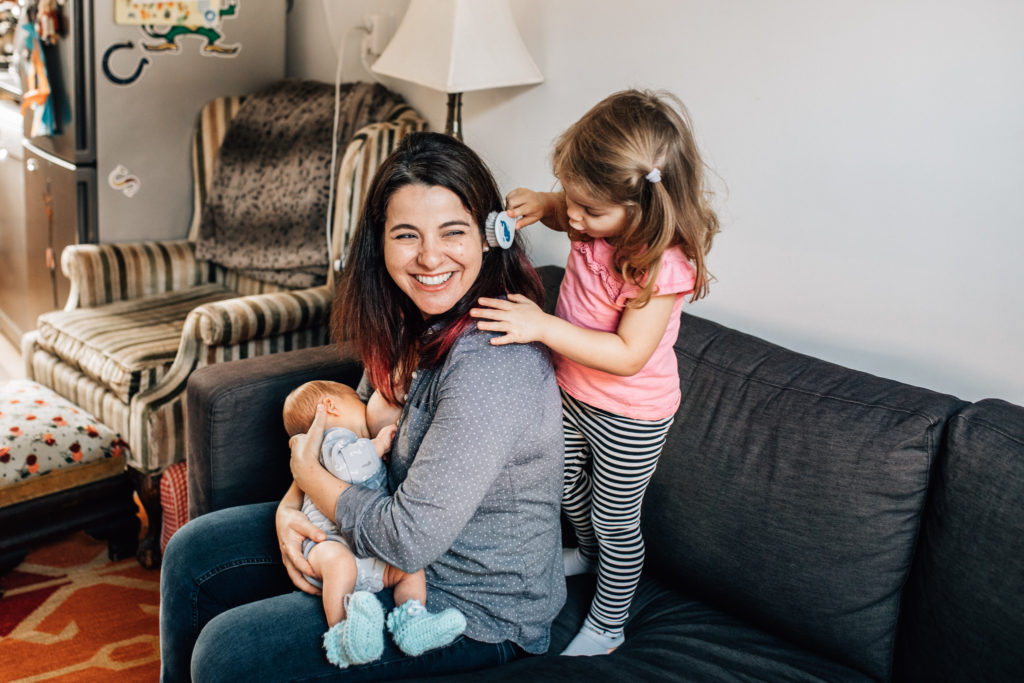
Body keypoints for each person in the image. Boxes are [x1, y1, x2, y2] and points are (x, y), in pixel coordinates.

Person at [160, 131, 566, 681]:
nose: (429, 257)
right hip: (375, 540)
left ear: (489, 238)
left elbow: (407, 538)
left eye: (453, 232)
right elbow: (343, 425)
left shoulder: (495, 361)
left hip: (469, 605)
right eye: (407, 235)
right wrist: (288, 507)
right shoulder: (413, 317)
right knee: (191, 554)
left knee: (229, 654)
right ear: (380, 242)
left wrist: (305, 471)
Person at [471, 89, 720, 657]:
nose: (573, 219)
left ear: (642, 210)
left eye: (588, 210)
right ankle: (584, 553)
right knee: (559, 483)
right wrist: (540, 201)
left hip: (632, 412)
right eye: (571, 200)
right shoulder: (591, 218)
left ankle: (609, 624)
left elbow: (629, 355)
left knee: (614, 517)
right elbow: (566, 207)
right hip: (571, 389)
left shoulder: (663, 265)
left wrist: (541, 327)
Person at [281, 380, 466, 667]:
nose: (365, 405)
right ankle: (343, 632)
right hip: (329, 543)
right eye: (357, 399)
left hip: (367, 548)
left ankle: (411, 620)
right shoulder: (333, 439)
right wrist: (377, 444)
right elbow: (348, 469)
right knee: (339, 563)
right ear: (331, 406)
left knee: (408, 568)